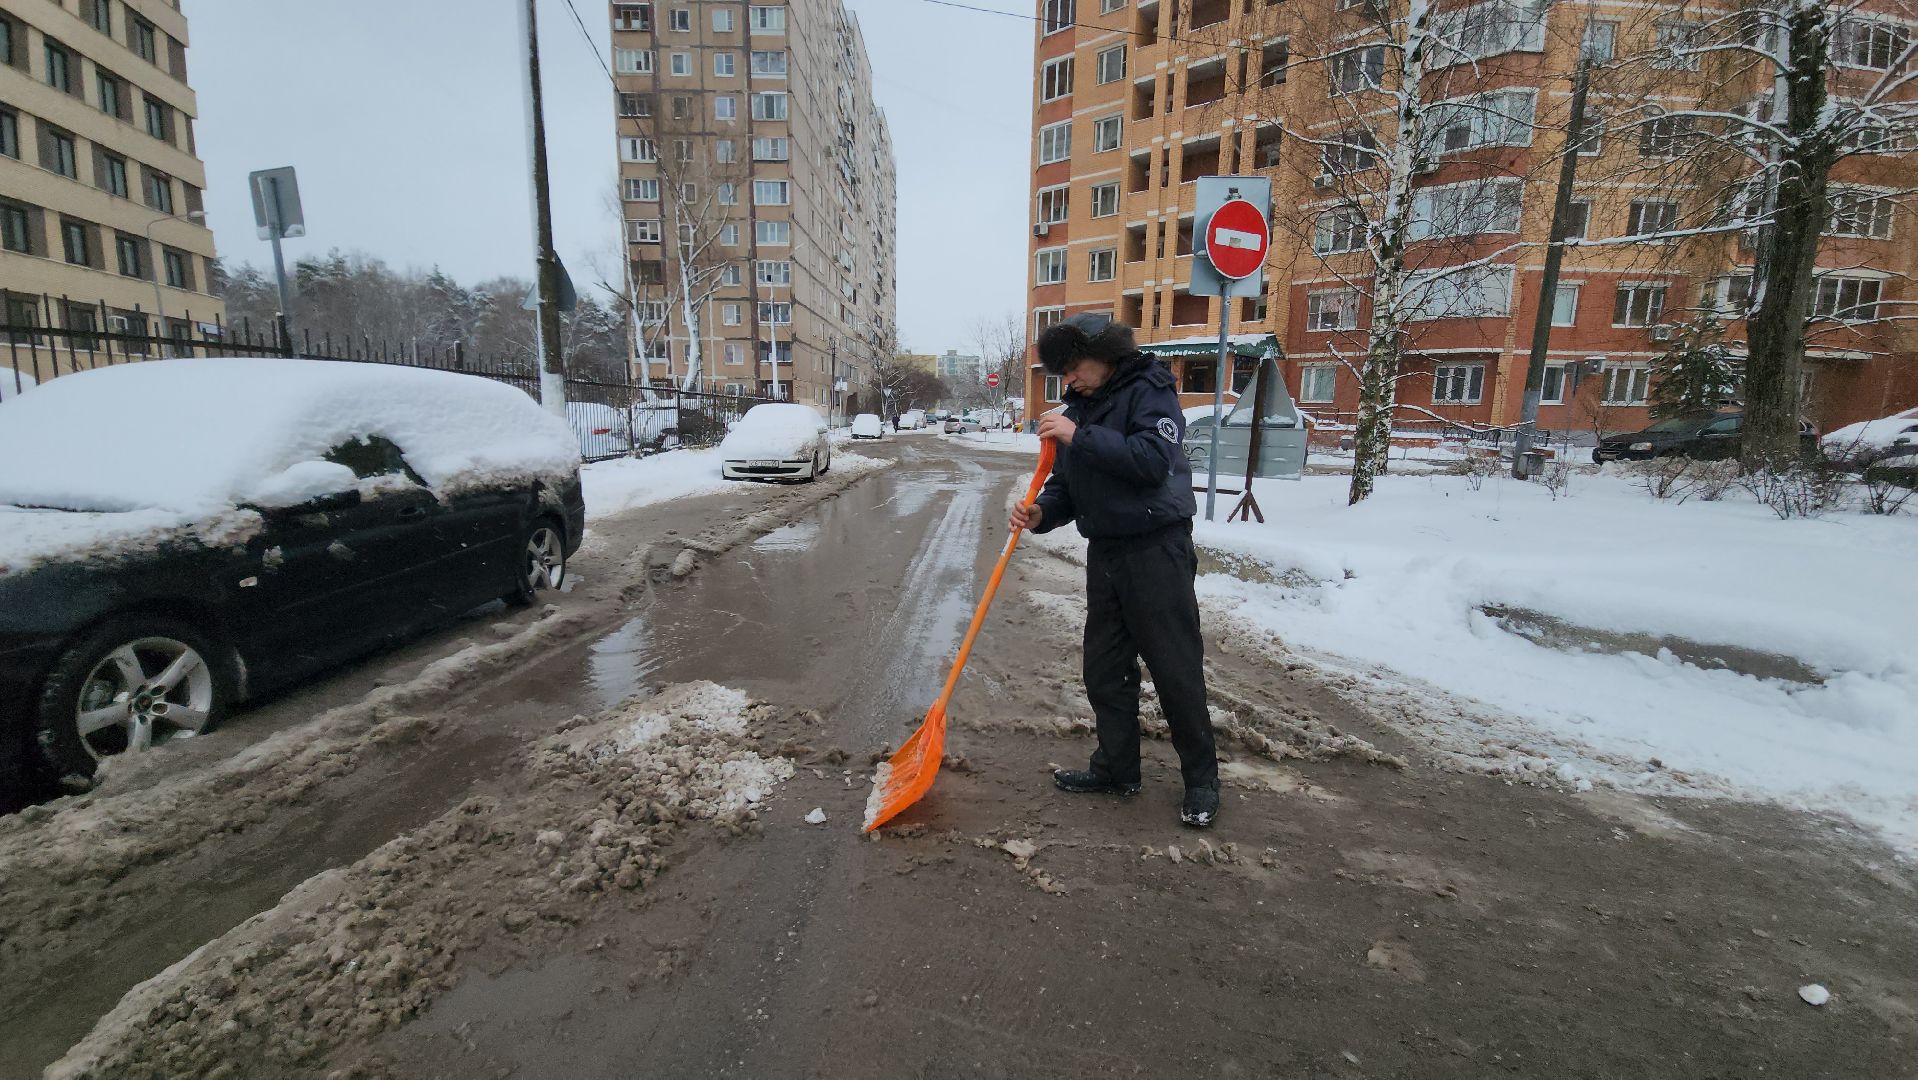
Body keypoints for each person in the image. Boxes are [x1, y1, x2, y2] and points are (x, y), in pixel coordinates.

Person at [1009, 313, 1219, 827]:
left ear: (1105, 355)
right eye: (1062, 374)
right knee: (1104, 669)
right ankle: (1117, 770)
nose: (1069, 381)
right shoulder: (1080, 408)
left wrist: (1078, 435)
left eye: (1074, 367)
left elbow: (1150, 461)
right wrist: (1042, 513)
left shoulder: (1152, 389)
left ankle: (1202, 781)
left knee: (1175, 669)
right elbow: (1068, 483)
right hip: (1106, 551)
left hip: (1156, 549)